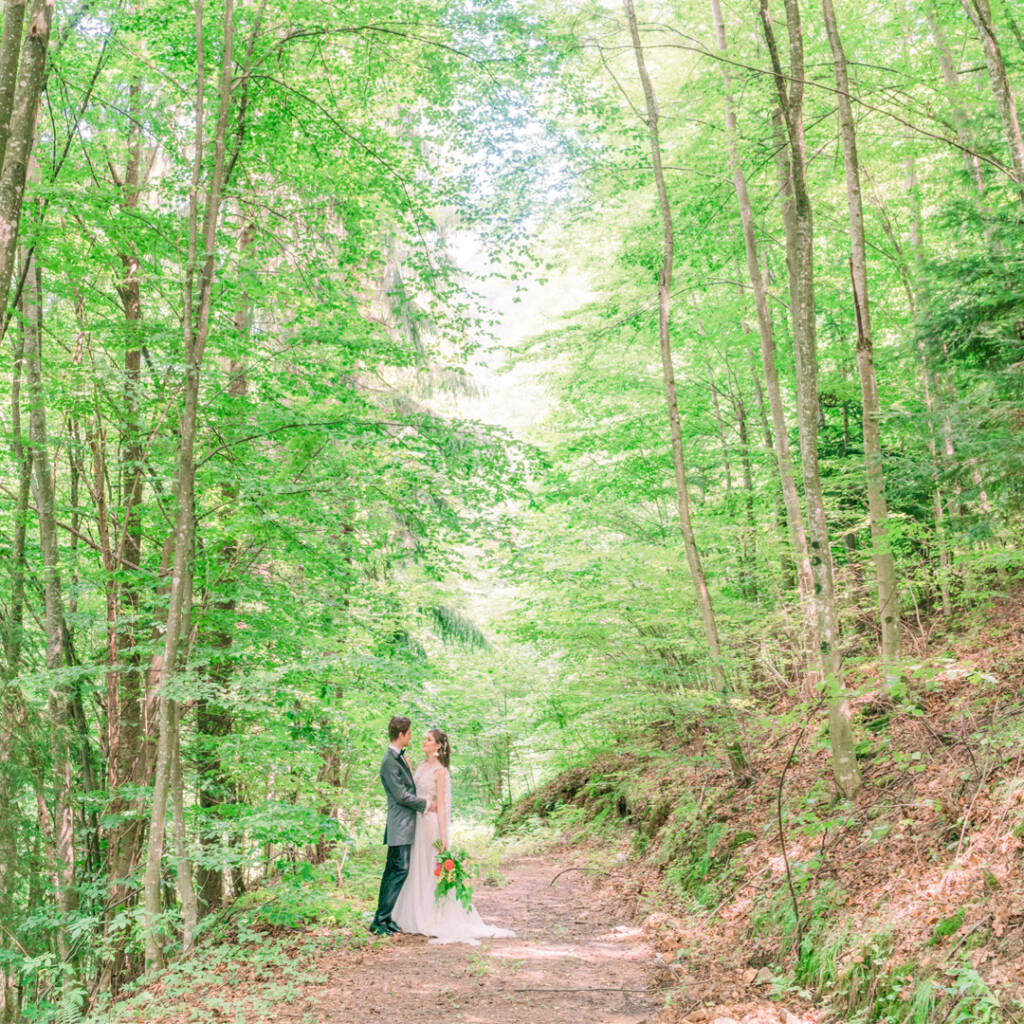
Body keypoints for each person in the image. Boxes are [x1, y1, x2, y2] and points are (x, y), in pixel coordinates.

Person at [392, 728, 515, 945]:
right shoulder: (421, 766)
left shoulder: (440, 772)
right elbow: (412, 790)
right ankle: (413, 911)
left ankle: (432, 914)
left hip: (430, 824)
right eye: (424, 738)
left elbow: (442, 807)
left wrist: (443, 836)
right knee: (416, 866)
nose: (424, 741)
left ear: (438, 746)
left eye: (428, 740)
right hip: (416, 822)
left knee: (430, 867)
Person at [369, 715, 436, 936]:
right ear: (401, 734)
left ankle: (385, 918)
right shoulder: (389, 761)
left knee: (394, 870)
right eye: (408, 733)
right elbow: (401, 796)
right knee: (398, 870)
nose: (411, 737)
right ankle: (380, 920)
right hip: (400, 825)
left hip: (405, 825)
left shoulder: (398, 758)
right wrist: (426, 804)